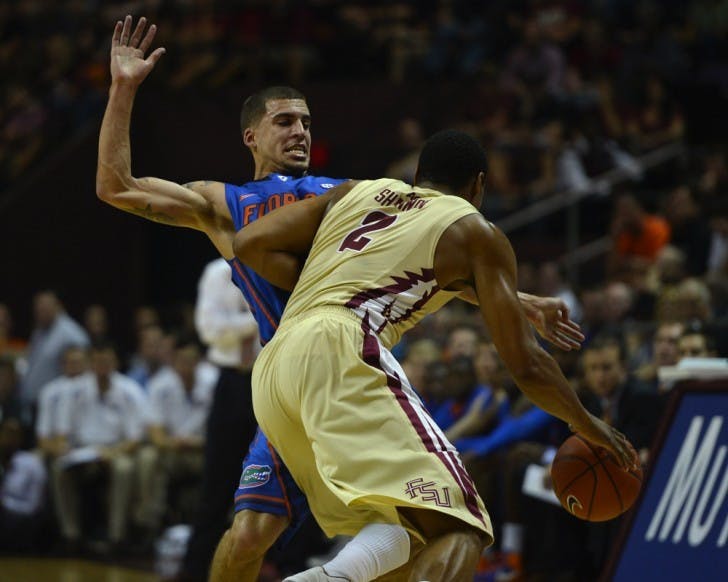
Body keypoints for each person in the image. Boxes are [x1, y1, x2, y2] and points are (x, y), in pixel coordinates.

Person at [97, 16, 588, 581]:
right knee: (250, 534)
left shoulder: (349, 195)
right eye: (284, 121)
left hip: (347, 364)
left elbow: (428, 259)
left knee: (410, 524)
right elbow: (117, 186)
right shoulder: (224, 202)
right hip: (287, 377)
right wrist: (123, 88)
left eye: (306, 121)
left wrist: (520, 299)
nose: (300, 131)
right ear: (250, 137)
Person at [233, 129, 637, 581]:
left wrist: (329, 288)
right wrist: (585, 421)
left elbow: (248, 243)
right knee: (460, 528)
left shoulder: (359, 191)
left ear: (419, 174)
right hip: (341, 344)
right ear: (478, 185)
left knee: (408, 528)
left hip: (275, 365)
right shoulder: (472, 229)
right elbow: (525, 363)